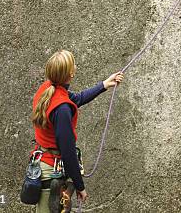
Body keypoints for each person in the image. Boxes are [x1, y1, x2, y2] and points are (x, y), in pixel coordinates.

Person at [30, 50, 124, 213]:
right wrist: (80, 186)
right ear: (70, 74)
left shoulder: (48, 89)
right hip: (51, 171)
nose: (76, 66)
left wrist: (104, 85)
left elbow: (77, 98)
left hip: (42, 164)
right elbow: (68, 153)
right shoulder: (62, 109)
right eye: (74, 65)